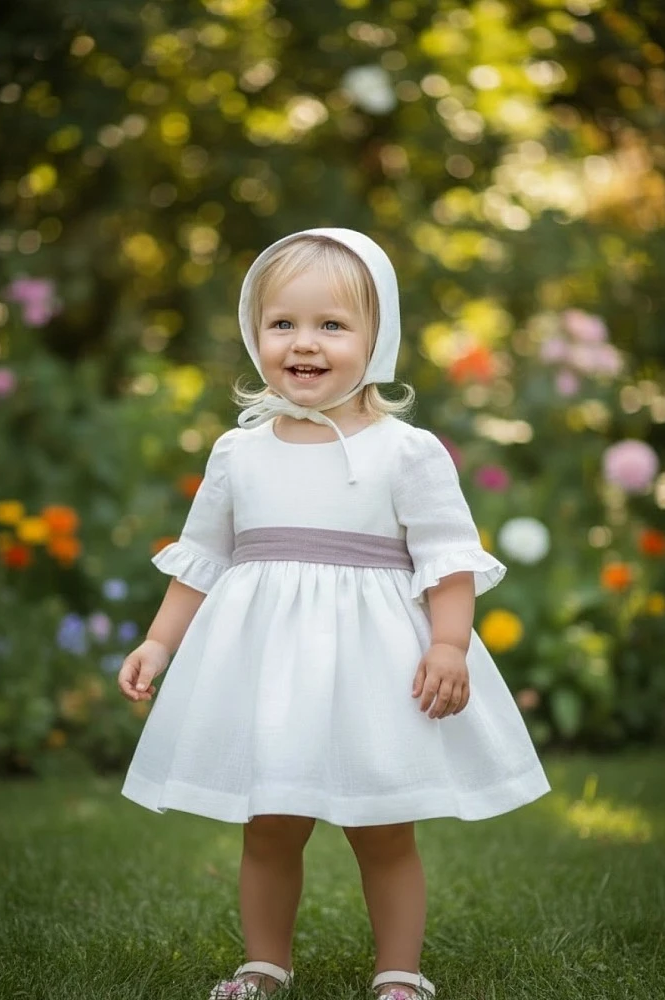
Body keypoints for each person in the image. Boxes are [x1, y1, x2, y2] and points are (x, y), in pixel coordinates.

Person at [118, 228, 551, 1000]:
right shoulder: (238, 453)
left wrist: (449, 644)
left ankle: (399, 974)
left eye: (331, 325)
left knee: (382, 828)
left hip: (373, 670)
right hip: (270, 673)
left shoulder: (405, 451)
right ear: (256, 334)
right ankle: (264, 963)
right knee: (270, 821)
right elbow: (202, 559)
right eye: (282, 323)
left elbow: (448, 558)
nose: (303, 343)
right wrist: (159, 641)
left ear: (376, 336)